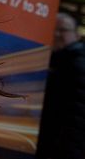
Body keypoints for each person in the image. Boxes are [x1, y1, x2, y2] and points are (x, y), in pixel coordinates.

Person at [36, 12, 85, 159]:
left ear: (76, 35)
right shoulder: (58, 59)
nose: (56, 34)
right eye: (53, 29)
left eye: (63, 30)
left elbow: (77, 118)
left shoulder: (77, 64)